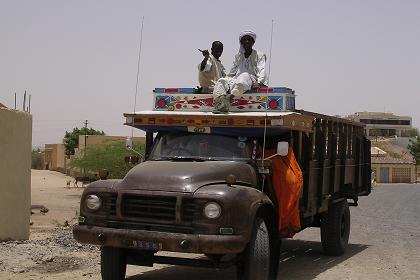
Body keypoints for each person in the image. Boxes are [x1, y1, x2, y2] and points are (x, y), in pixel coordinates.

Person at [213, 31, 268, 112]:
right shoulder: (238, 56)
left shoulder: (259, 55)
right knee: (221, 81)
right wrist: (227, 81)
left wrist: (260, 82)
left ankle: (229, 99)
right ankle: (221, 103)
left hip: (252, 80)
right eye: (244, 40)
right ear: (241, 42)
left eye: (249, 39)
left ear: (253, 42)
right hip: (237, 80)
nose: (247, 41)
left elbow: (262, 69)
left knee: (244, 75)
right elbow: (232, 72)